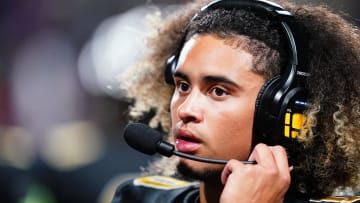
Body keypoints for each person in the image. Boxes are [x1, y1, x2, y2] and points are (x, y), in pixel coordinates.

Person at [112, 0, 360, 202]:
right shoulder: (139, 196)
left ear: (280, 108)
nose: (186, 110)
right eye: (183, 86)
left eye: (218, 91)